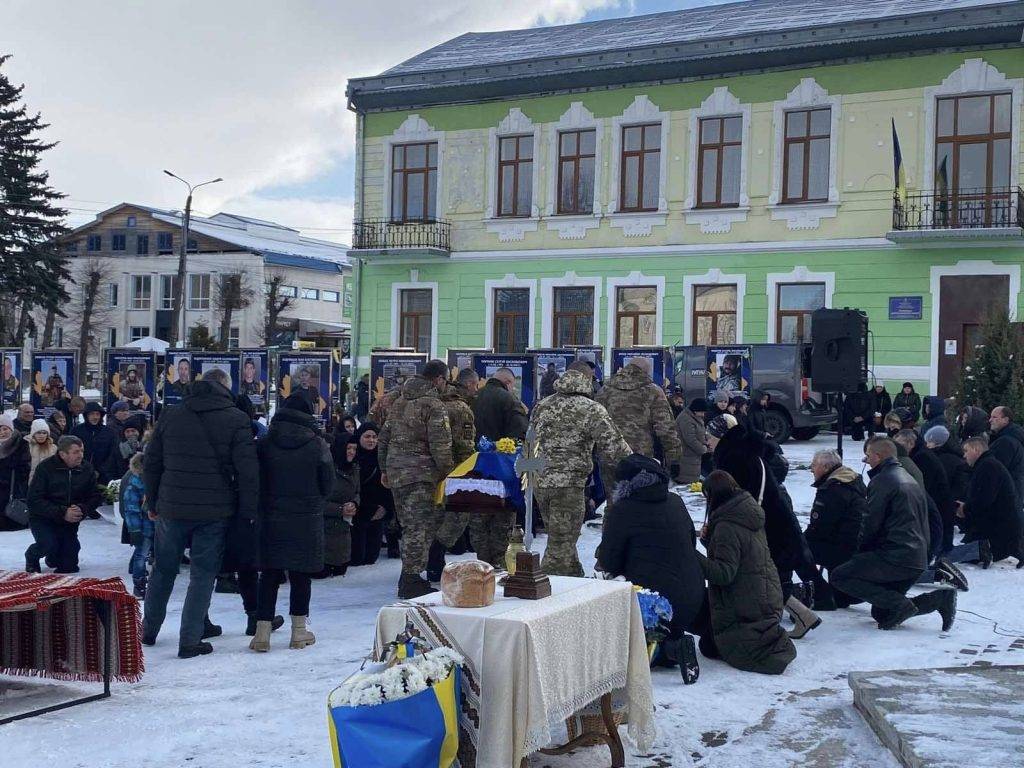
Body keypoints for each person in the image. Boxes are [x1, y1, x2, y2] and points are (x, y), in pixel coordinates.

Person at [142, 368, 260, 659]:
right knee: (203, 574)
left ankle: (148, 630)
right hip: (214, 510)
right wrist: (248, 512)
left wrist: (153, 502)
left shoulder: (171, 414)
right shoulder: (236, 419)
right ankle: (190, 639)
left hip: (170, 506)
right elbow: (247, 471)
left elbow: (152, 462)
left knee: (162, 569)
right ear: (225, 387)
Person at [597, 455, 716, 665]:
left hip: (654, 603)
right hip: (692, 596)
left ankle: (667, 650)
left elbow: (609, 561)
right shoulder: (676, 501)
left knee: (629, 654)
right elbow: (690, 542)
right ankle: (671, 641)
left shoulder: (622, 510)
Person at [830, 437, 956, 631]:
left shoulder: (883, 481)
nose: (866, 460)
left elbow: (871, 523)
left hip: (896, 556)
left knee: (840, 576)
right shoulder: (908, 477)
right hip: (916, 557)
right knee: (881, 613)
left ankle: (901, 604)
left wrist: (858, 554)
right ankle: (939, 599)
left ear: (879, 456)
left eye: (868, 455)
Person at [709, 415, 820, 636]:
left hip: (764, 527)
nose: (706, 440)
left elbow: (738, 499)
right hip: (769, 523)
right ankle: (801, 616)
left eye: (709, 436)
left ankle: (793, 619)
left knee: (764, 578)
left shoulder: (736, 458)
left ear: (721, 436)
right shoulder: (743, 452)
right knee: (768, 577)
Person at [250, 394, 335, 652]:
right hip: (305, 517)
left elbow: (254, 479)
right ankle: (299, 632)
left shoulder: (264, 444)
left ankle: (262, 634)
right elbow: (328, 484)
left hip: (271, 515)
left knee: (269, 575)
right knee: (301, 575)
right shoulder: (317, 445)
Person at [529, 368, 631, 577]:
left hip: (540, 481)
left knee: (561, 539)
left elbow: (529, 442)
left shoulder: (542, 406)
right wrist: (639, 465)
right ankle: (551, 589)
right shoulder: (591, 409)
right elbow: (613, 446)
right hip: (569, 485)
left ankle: (575, 577)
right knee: (560, 545)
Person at [696, 470, 796, 675]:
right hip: (766, 594)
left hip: (745, 603)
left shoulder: (726, 525)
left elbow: (724, 574)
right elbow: (737, 553)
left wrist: (692, 556)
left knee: (708, 645)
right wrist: (708, 541)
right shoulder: (746, 513)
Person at [378, 360, 455, 598]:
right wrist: (448, 472)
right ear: (439, 379)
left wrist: (384, 469)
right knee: (419, 528)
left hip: (397, 472)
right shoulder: (433, 405)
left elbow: (384, 438)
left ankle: (407, 576)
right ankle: (411, 580)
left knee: (409, 525)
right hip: (421, 474)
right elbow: (440, 445)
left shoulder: (400, 402)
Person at [596, 359, 683, 498]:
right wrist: (674, 458)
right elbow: (666, 429)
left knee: (612, 501)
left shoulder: (605, 390)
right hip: (641, 457)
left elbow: (596, 423)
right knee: (640, 500)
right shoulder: (653, 391)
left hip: (610, 455)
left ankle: (612, 520)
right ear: (646, 372)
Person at [24, 435, 102, 574]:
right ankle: (32, 556)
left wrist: (82, 509)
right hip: (44, 517)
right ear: (62, 454)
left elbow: (95, 496)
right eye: (76, 452)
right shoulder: (46, 468)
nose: (80, 455)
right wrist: (62, 512)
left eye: (82, 451)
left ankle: (54, 556)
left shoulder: (86, 468)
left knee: (69, 565)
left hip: (70, 519)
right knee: (47, 544)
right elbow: (33, 500)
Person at [804, 449, 867, 611]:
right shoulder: (851, 482)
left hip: (840, 546)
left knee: (796, 551)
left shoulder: (832, 489)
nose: (811, 469)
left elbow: (821, 526)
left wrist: (801, 540)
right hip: (854, 542)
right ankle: (840, 594)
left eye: (814, 465)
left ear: (825, 468)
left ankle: (818, 591)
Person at [435, 373, 487, 571]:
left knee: (438, 517)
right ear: (468, 384)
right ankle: (435, 558)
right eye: (475, 385)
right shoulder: (461, 408)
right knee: (458, 516)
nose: (476, 390)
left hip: (433, 469)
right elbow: (465, 444)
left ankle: (433, 561)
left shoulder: (437, 402)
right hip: (455, 470)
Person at [958, 436, 1023, 568]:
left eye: (966, 450)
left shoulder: (988, 466)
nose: (964, 455)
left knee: (960, 555)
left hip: (999, 529)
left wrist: (965, 510)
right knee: (965, 554)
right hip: (1001, 527)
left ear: (976, 450)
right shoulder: (988, 464)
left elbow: (983, 500)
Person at [894, 429, 953, 556]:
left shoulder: (921, 457)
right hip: (938, 508)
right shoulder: (921, 454)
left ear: (910, 443)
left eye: (899, 445)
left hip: (938, 508)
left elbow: (924, 487)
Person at [351, 422, 393, 566]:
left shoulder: (383, 459)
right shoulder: (353, 458)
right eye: (367, 436)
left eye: (375, 437)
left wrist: (385, 508)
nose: (371, 440)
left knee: (370, 558)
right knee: (357, 558)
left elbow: (388, 487)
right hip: (357, 514)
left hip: (377, 513)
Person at [320, 433, 360, 579]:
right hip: (325, 530)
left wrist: (354, 504)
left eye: (354, 449)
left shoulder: (354, 468)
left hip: (343, 532)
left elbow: (357, 492)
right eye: (348, 448)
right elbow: (318, 501)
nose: (351, 452)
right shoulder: (327, 469)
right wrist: (339, 509)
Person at [122, 452, 154, 598]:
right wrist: (134, 530)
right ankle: (139, 585)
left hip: (159, 526)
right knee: (141, 556)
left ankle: (153, 583)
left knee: (147, 554)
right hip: (143, 527)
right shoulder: (135, 485)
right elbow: (131, 510)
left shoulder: (156, 481)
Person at [472, 367, 529, 443]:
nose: (513, 389)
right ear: (508, 382)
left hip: (474, 452)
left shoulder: (474, 395)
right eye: (513, 386)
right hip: (499, 452)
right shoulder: (510, 399)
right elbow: (520, 430)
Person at [71, 402, 118, 485]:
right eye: (92, 414)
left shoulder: (109, 432)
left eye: (97, 414)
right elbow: (71, 451)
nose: (95, 417)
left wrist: (101, 470)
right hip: (79, 472)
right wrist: (84, 468)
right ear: (86, 416)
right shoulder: (76, 431)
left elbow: (113, 453)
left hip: (104, 475)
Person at [925, 425, 970, 506]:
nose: (927, 445)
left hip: (941, 504)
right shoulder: (958, 459)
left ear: (938, 442)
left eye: (930, 441)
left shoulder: (935, 459)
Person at [988, 406, 1024, 506]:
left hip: (1004, 497)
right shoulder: (1011, 437)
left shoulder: (1006, 442)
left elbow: (996, 470)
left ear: (1005, 420)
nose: (990, 420)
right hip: (1012, 495)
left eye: (994, 417)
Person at [0, 415, 30, 530]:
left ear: (11, 429)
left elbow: (25, 467)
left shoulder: (21, 444)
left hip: (14, 488)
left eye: (5, 429)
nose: (2, 432)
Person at [675, 397, 708, 484]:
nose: (703, 415)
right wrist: (703, 449)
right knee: (687, 486)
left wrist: (706, 442)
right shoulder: (686, 419)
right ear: (695, 410)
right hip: (686, 457)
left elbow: (700, 433)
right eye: (702, 412)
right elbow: (690, 439)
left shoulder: (694, 417)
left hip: (692, 457)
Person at [25, 418, 57, 483]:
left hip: (48, 482)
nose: (41, 435)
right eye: (38, 433)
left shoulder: (54, 448)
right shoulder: (26, 446)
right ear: (33, 434)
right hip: (29, 483)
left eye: (44, 433)